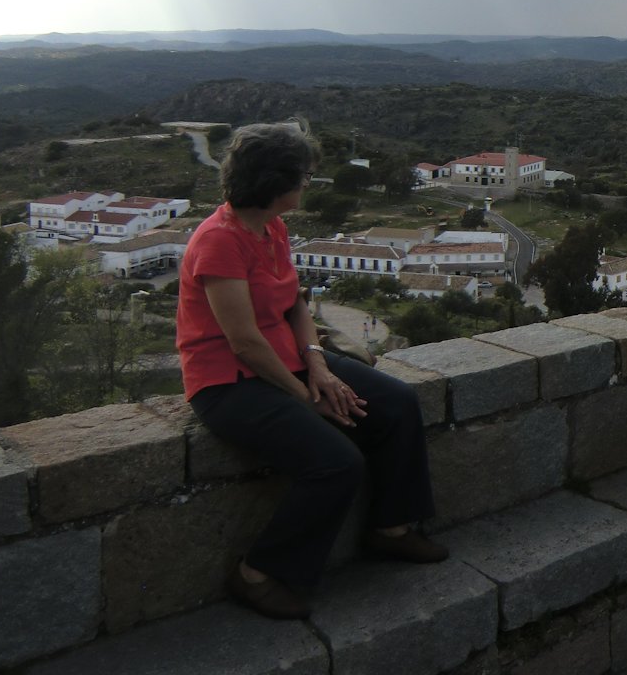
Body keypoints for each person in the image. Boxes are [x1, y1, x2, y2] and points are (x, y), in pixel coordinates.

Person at [176, 122, 444, 620]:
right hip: (229, 382)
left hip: (290, 360)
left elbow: (295, 303)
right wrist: (305, 397)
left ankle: (391, 528)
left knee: (397, 403)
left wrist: (317, 364)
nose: (306, 185)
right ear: (273, 182)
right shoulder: (218, 242)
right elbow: (243, 342)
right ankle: (256, 572)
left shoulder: (271, 227)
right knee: (336, 462)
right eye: (300, 177)